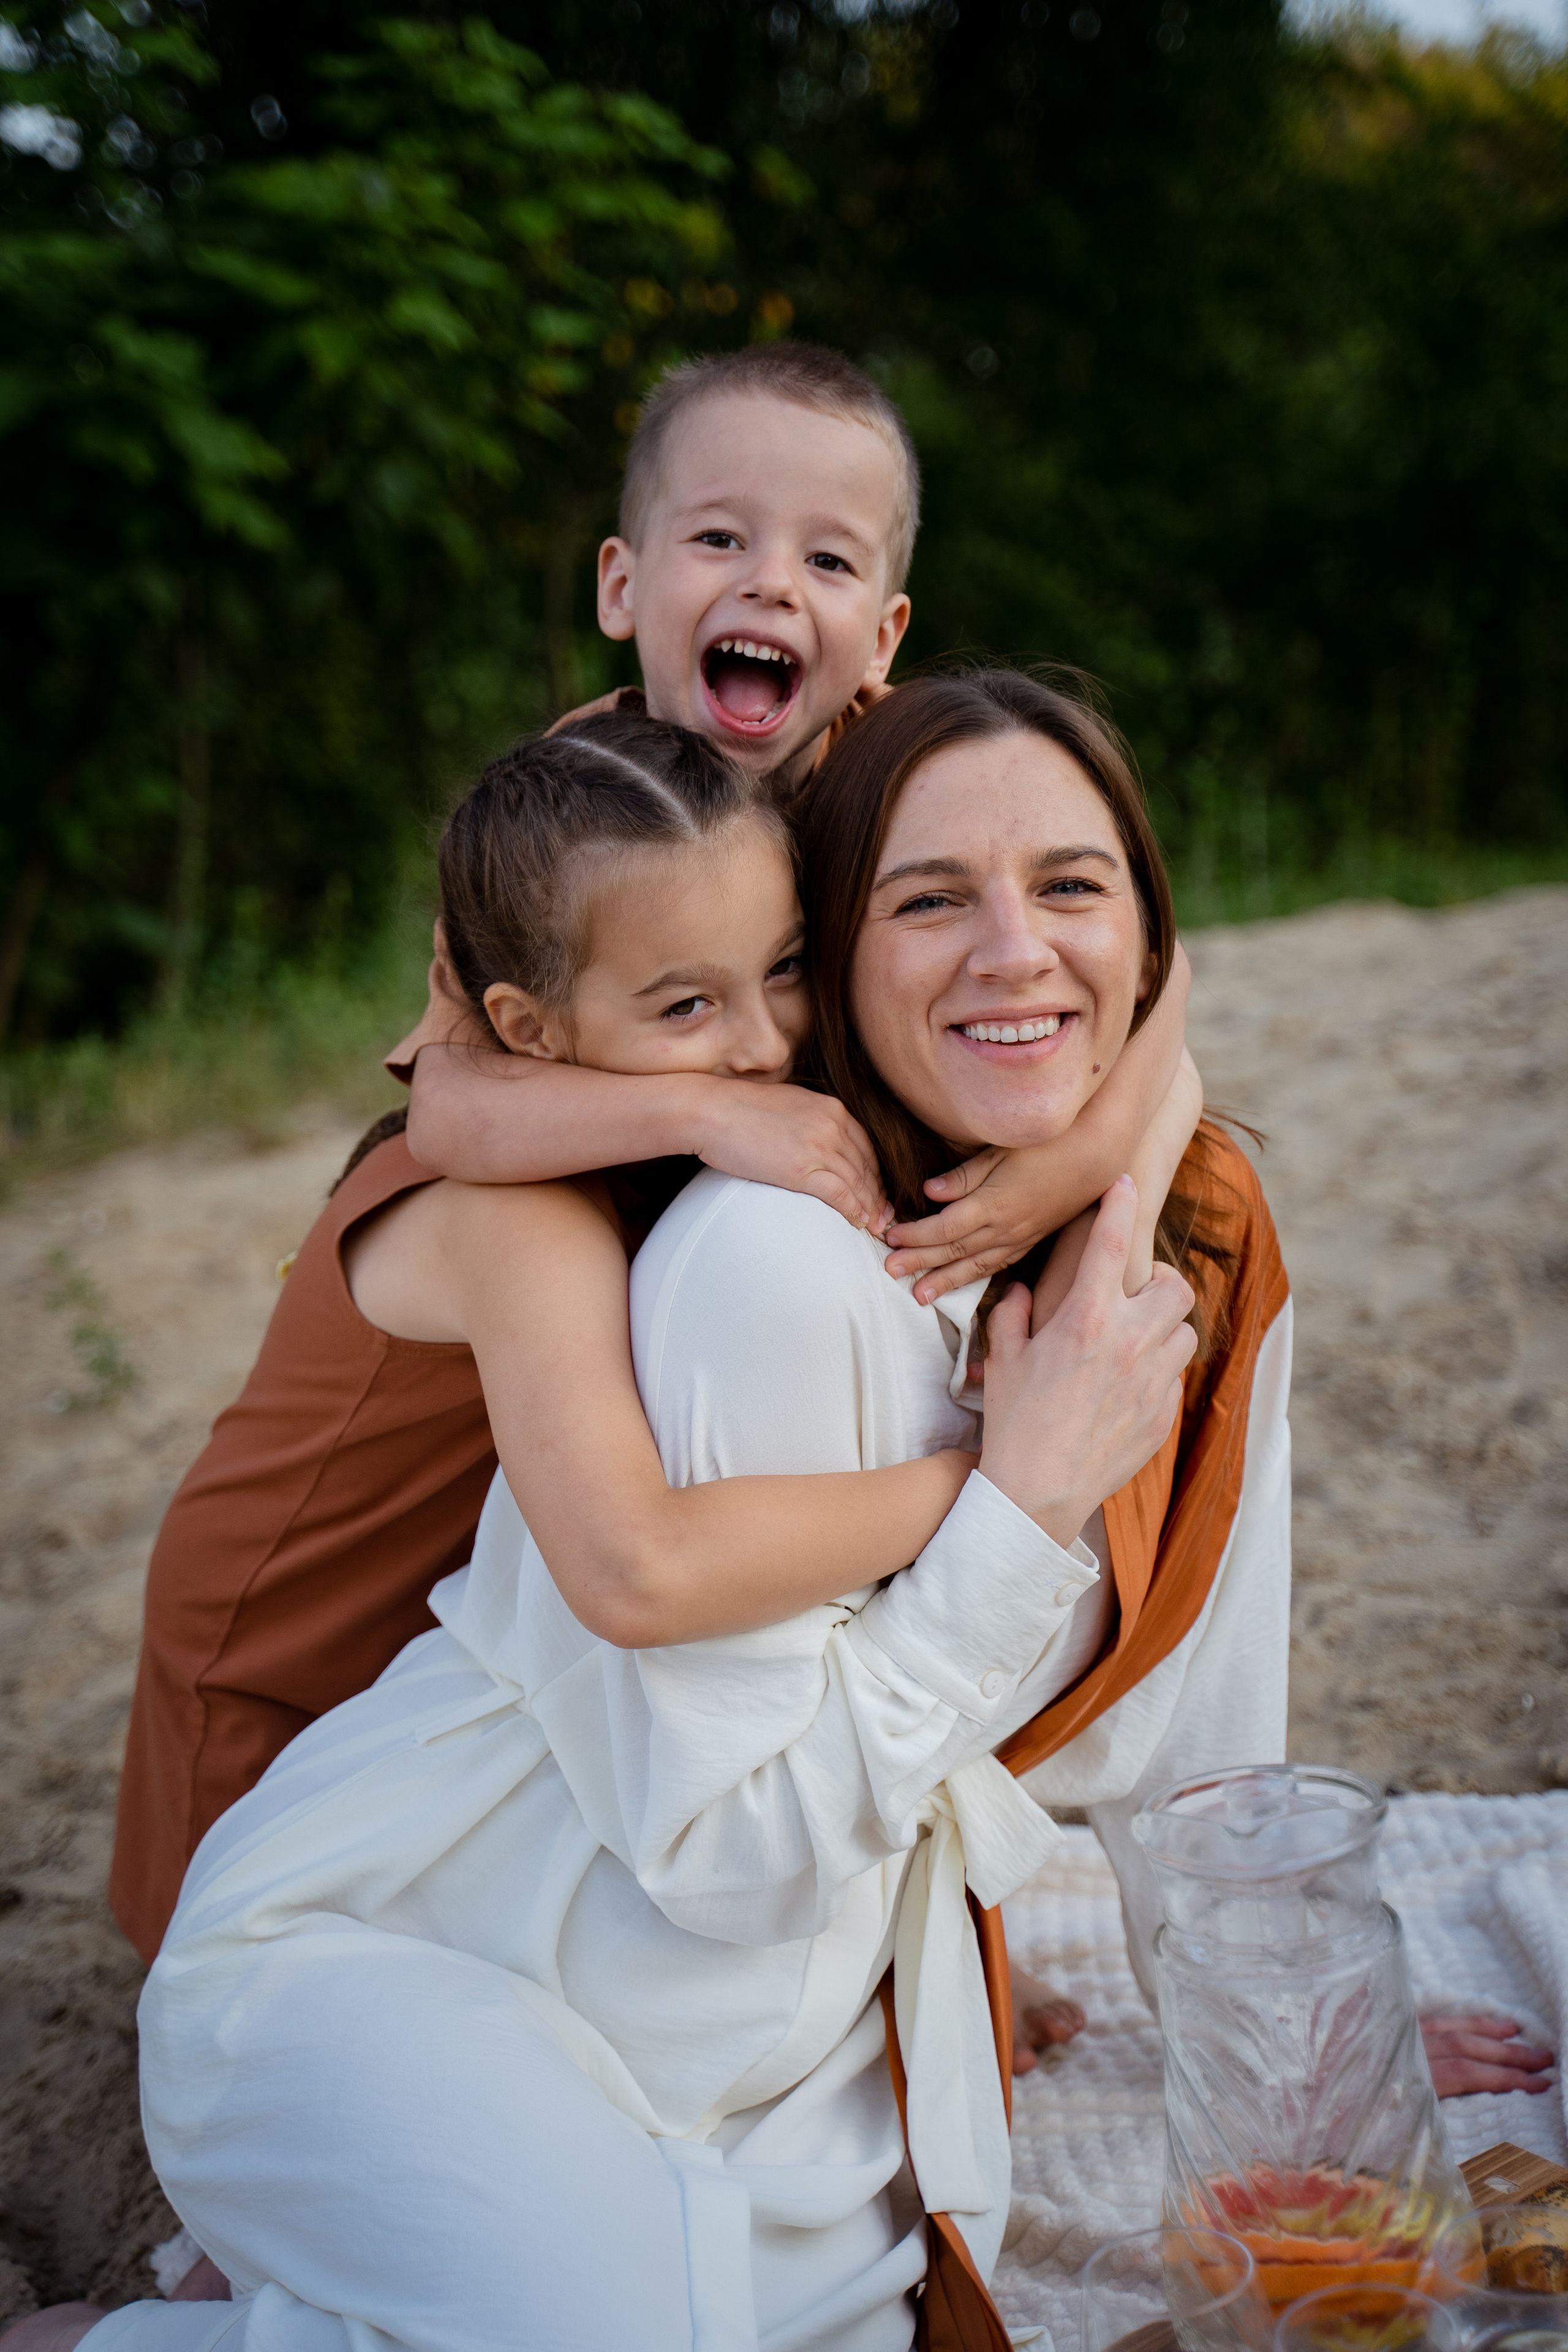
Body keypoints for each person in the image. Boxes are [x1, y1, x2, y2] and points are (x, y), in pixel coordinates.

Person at [36, 670, 1264, 2352]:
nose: (756, 1045)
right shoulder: (630, 1228)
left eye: (1073, 887)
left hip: (625, 1958)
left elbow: (1144, 998)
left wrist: (1098, 1152)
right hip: (336, 1830)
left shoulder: (1067, 1213)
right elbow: (643, 1590)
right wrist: (1010, 1489)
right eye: (924, 899)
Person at [109, 339, 1195, 1978]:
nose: (772, 581)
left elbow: (1166, 968)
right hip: (356, 1551)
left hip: (559, 1498)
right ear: (623, 583)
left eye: (828, 558)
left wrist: (1080, 1159)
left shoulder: (871, 792)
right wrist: (710, 1110)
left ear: (884, 636)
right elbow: (458, 1111)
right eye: (719, 541)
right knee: (274, 1895)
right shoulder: (576, 811)